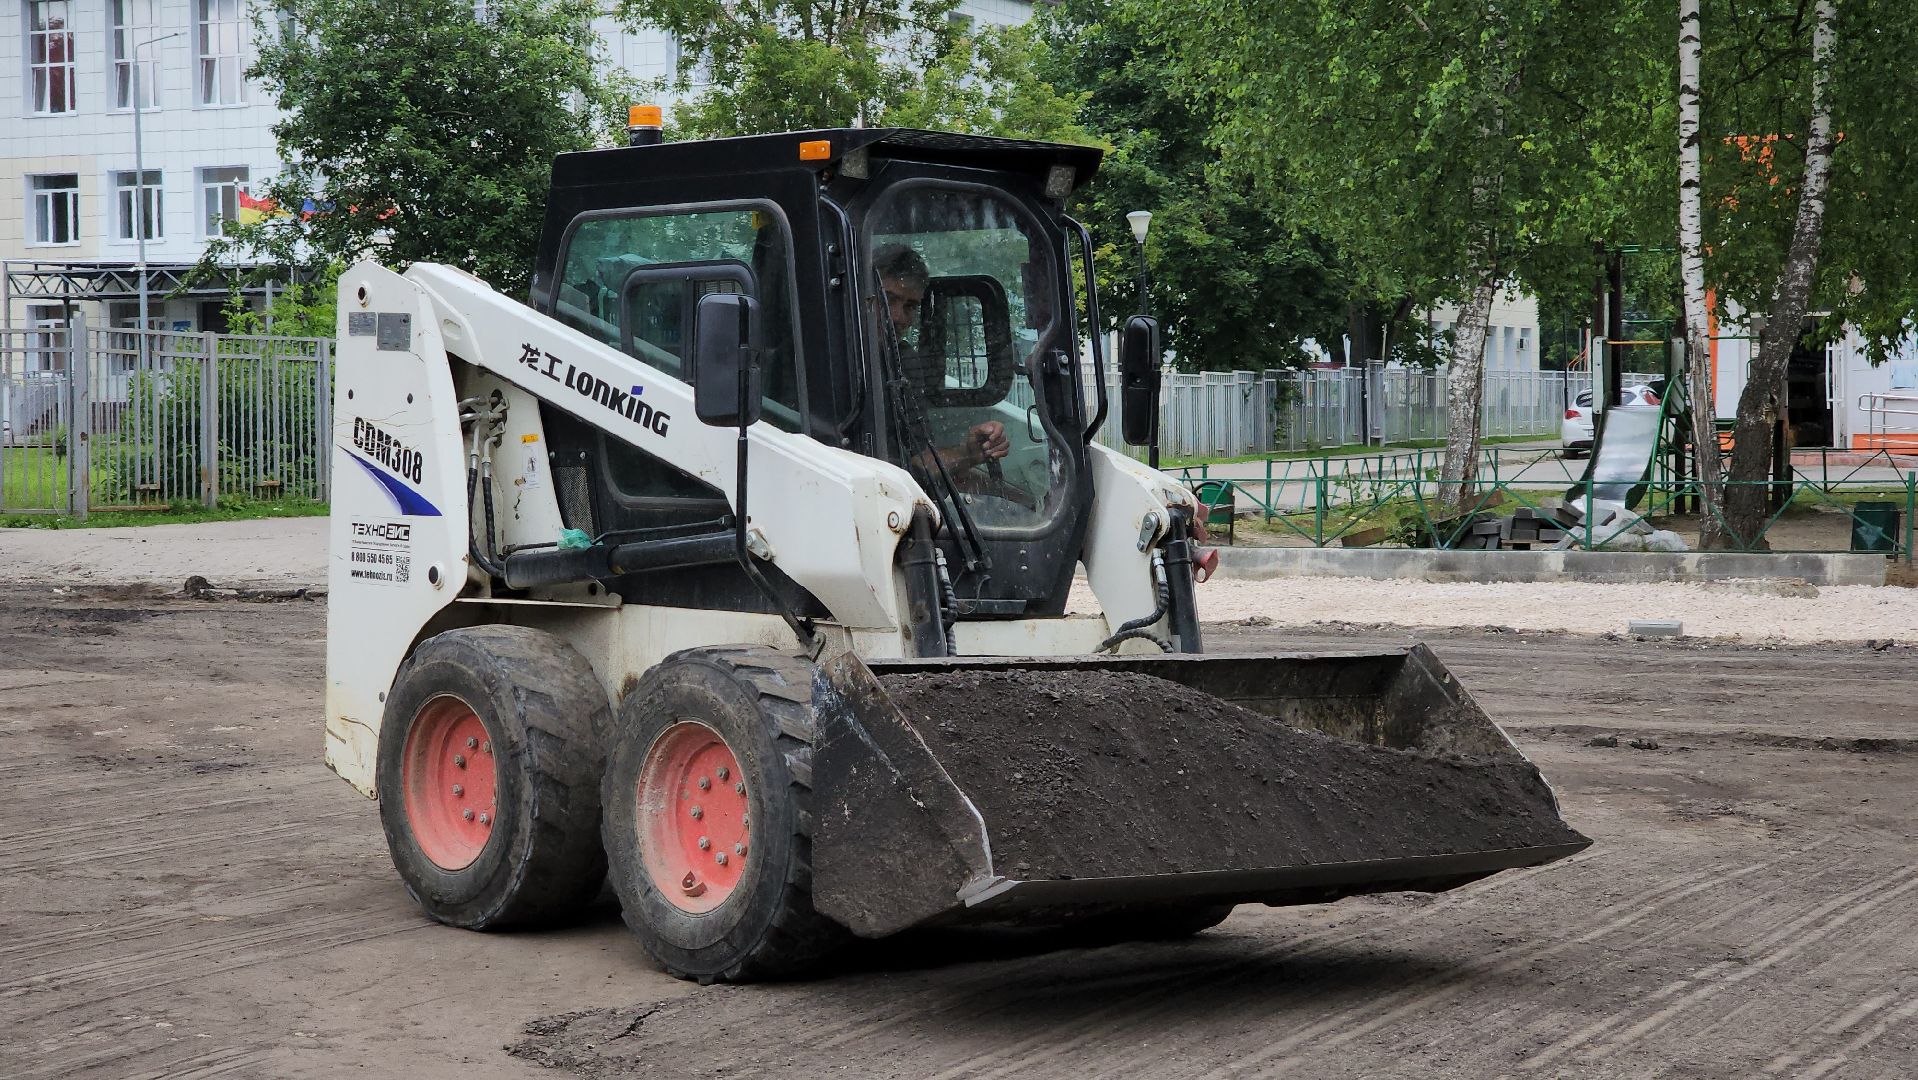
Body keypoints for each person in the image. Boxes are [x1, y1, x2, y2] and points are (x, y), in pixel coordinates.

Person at [874, 245, 1010, 475]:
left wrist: (968, 453)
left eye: (910, 306)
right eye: (887, 300)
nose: (898, 316)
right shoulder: (817, 359)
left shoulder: (903, 363)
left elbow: (917, 460)